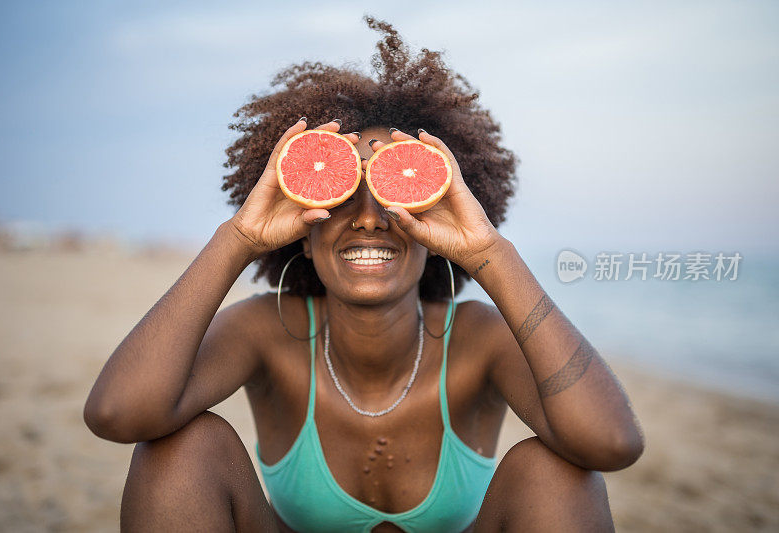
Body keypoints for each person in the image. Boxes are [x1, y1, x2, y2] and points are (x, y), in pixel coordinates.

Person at [84, 17, 643, 533]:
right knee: (180, 449)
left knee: (556, 468)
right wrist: (239, 239)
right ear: (305, 227)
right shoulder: (266, 332)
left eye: (397, 193)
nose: (371, 218)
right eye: (344, 190)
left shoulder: (478, 341)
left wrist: (488, 251)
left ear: (436, 217)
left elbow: (611, 444)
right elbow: (119, 414)